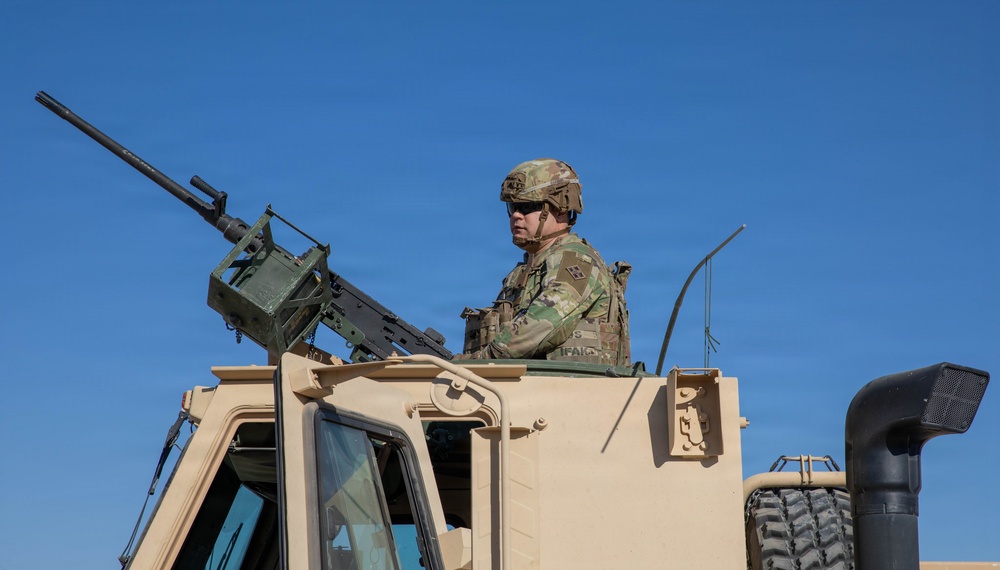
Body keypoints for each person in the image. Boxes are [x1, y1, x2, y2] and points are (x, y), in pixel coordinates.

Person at [458, 158, 631, 366]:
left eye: (528, 206)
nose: (516, 216)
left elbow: (541, 324)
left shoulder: (575, 260)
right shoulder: (524, 270)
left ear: (561, 208)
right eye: (513, 207)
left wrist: (478, 362)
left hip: (571, 389)